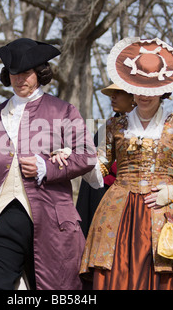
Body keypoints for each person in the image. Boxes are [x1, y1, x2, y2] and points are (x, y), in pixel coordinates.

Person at [0, 38, 97, 290]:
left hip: (52, 221)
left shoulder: (64, 110)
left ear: (40, 73)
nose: (20, 80)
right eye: (14, 73)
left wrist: (47, 168)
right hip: (0, 219)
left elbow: (86, 155)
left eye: (26, 73)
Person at [80, 37, 173, 290]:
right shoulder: (114, 126)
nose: (145, 96)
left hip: (163, 209)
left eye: (151, 90)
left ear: (163, 90)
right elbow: (100, 169)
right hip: (118, 212)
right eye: (139, 89)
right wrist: (76, 160)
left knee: (159, 275)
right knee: (114, 276)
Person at [76, 83, 135, 237]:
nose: (112, 97)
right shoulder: (105, 129)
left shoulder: (152, 130)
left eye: (119, 92)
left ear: (133, 97)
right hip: (104, 200)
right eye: (112, 93)